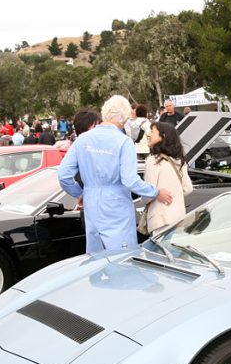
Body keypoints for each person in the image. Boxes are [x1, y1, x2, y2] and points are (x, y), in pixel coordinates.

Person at [58, 94, 173, 253]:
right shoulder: (123, 142)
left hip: (91, 201)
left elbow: (63, 175)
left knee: (95, 255)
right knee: (122, 256)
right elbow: (130, 180)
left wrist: (81, 193)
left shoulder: (82, 140)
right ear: (123, 119)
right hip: (116, 203)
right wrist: (156, 192)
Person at [143, 121, 193, 234]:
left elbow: (147, 194)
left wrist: (155, 195)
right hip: (178, 217)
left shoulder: (153, 160)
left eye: (152, 132)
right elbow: (188, 188)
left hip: (160, 219)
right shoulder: (179, 160)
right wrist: (174, 195)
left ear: (163, 136)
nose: (148, 135)